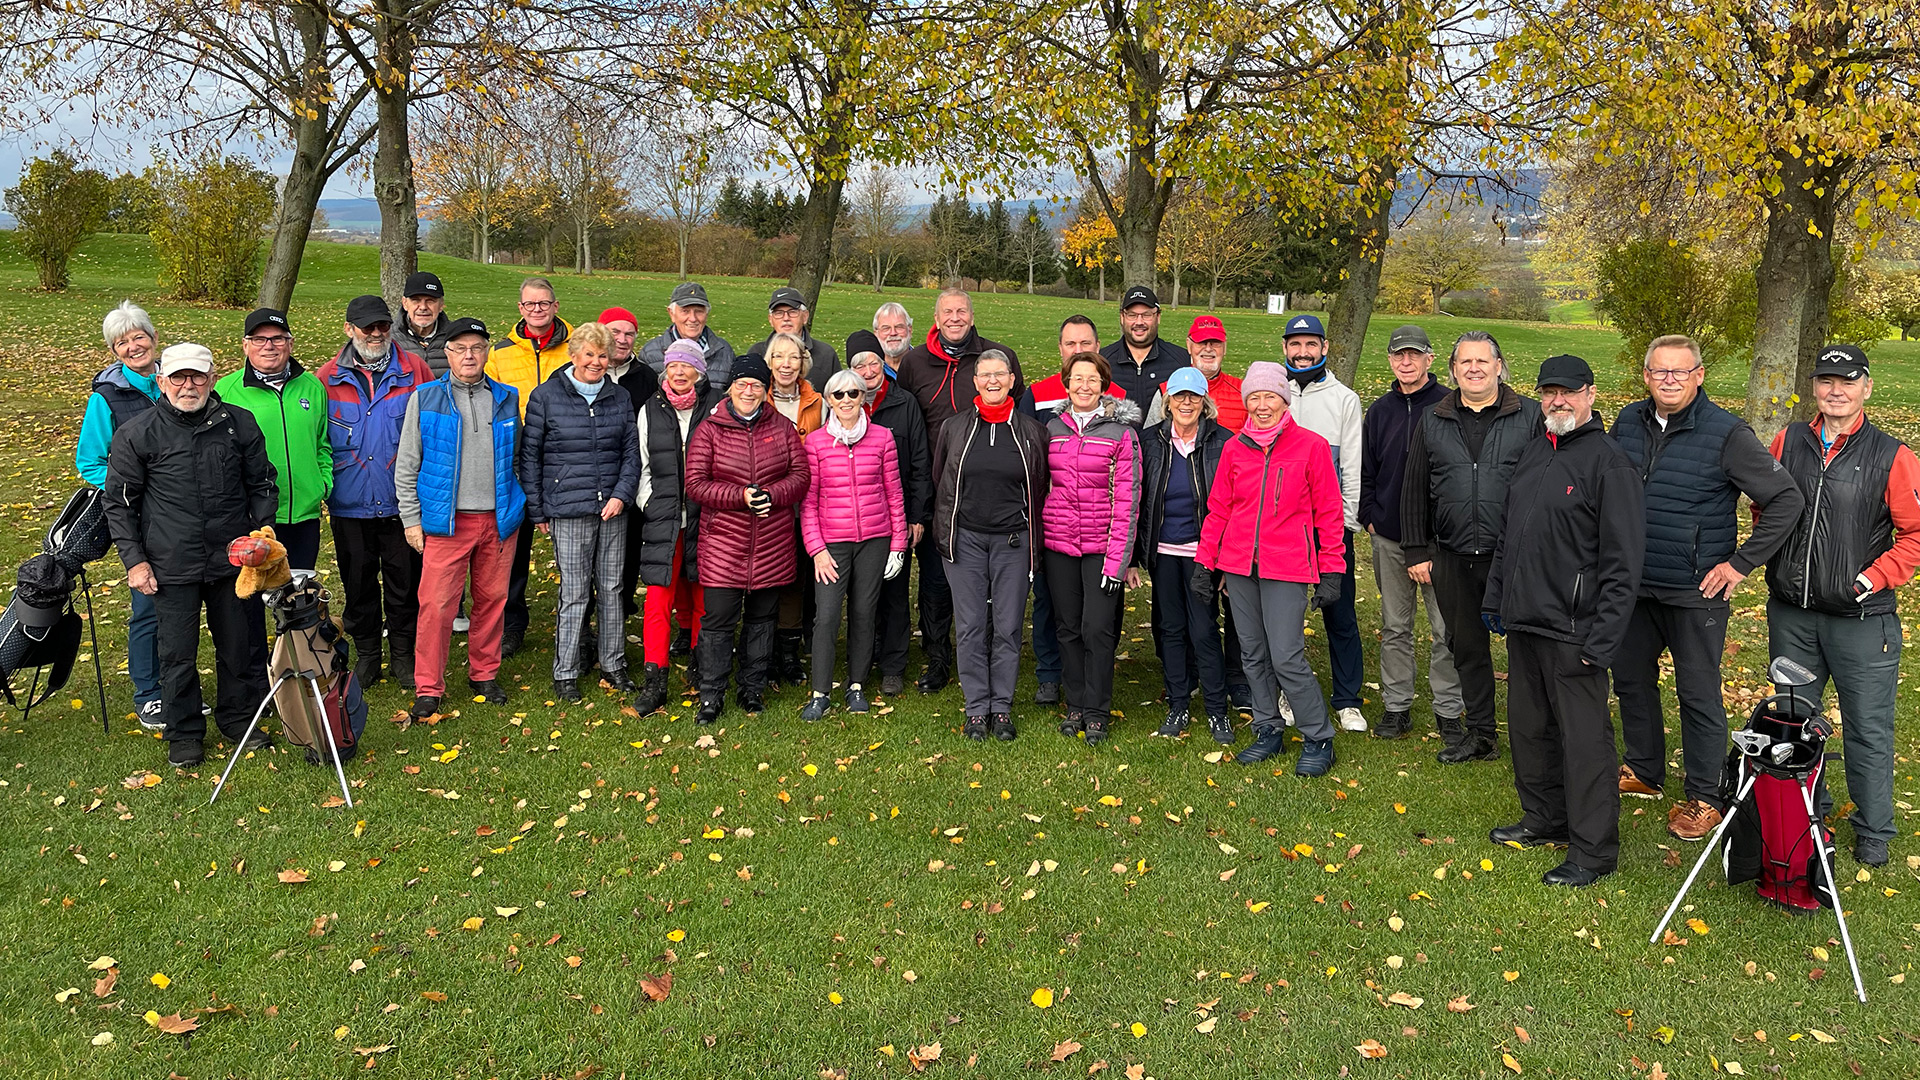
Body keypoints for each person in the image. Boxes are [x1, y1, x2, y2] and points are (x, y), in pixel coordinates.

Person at [1612, 335, 1805, 841]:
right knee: (1631, 680)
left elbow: (1785, 499)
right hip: (1633, 583)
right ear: (1647, 375)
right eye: (1659, 371)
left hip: (1694, 589)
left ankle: (1704, 795)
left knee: (1697, 692)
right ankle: (1644, 770)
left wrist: (1740, 564)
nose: (1669, 380)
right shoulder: (1627, 422)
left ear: (1699, 376)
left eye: (1680, 371)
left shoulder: (1726, 433)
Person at [1482, 354, 1644, 888]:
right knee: (1530, 731)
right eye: (1549, 391)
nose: (1558, 401)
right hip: (1526, 621)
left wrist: (1603, 639)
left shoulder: (1608, 463)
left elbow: (1624, 563)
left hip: (1577, 631)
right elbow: (1511, 536)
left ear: (1591, 394)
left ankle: (1593, 850)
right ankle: (1545, 819)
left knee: (1585, 744)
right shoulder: (1535, 451)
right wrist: (1498, 597)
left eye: (1569, 392)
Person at [1758, 344, 1920, 867]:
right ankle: (1810, 810)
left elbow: (1915, 534)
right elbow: (1767, 505)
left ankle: (1873, 827)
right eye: (1826, 381)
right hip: (1793, 614)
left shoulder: (1893, 456)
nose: (1836, 391)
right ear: (1814, 388)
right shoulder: (1789, 440)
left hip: (1860, 621)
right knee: (1793, 720)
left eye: (1847, 382)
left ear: (1866, 388)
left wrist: (1872, 578)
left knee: (1866, 726)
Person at [105, 343, 276, 769]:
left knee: (240, 646)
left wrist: (262, 533)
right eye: (178, 377)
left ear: (213, 379)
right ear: (162, 381)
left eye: (197, 376)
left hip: (232, 562)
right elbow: (119, 503)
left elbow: (263, 484)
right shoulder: (138, 433)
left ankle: (239, 720)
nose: (188, 385)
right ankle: (183, 733)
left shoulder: (239, 423)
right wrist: (135, 561)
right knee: (177, 653)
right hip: (170, 563)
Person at [1196, 362, 1344, 776]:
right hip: (1240, 566)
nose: (1262, 406)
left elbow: (1328, 514)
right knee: (1253, 654)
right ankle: (1268, 728)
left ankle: (1318, 736)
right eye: (1254, 398)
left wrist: (1332, 569)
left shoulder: (1311, 446)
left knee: (1286, 656)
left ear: (1284, 399)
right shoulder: (1235, 447)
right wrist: (1205, 562)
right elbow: (1219, 509)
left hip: (1289, 566)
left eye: (1270, 397)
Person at [1400, 331, 1541, 763]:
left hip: (1516, 558)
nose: (1475, 369)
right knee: (1466, 648)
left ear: (1499, 366)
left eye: (1483, 361)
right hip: (1453, 555)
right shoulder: (1434, 419)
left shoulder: (1530, 416)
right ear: (1453, 370)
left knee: (1528, 651)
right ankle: (1481, 734)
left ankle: (1534, 735)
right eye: (1465, 363)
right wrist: (1416, 550)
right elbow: (1415, 487)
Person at [395, 317, 524, 718]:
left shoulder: (506, 396)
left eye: (477, 348)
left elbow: (518, 458)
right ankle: (429, 686)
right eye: (460, 349)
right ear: (447, 354)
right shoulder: (426, 397)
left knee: (492, 600)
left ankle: (484, 673)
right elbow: (406, 464)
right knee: (436, 605)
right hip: (446, 522)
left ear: (487, 352)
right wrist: (411, 519)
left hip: (498, 521)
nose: (470, 355)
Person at [897, 289, 1024, 693]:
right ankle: (937, 658)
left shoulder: (994, 358)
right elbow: (911, 424)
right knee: (936, 581)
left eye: (961, 311)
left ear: (972, 314)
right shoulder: (916, 361)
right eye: (947, 312)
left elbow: (1013, 416)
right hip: (936, 486)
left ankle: (987, 655)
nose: (955, 318)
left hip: (988, 491)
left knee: (989, 588)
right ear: (935, 317)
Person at [518, 322, 642, 702]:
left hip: (613, 509)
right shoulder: (546, 397)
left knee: (612, 588)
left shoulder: (619, 398)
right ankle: (566, 671)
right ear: (574, 356)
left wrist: (622, 495)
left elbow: (631, 454)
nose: (597, 362)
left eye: (603, 355)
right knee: (574, 592)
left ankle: (613, 663)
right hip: (568, 508)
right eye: (589, 354)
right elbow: (530, 456)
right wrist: (538, 511)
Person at [684, 353, 810, 723]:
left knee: (762, 621)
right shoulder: (710, 429)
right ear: (731, 388)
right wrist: (739, 497)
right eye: (742, 384)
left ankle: (751, 689)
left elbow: (800, 476)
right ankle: (711, 693)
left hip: (772, 543)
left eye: (756, 384)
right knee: (718, 622)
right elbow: (695, 484)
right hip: (725, 544)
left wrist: (773, 495)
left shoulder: (782, 427)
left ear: (765, 388)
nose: (749, 391)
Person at [320, 293, 433, 692]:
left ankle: (403, 654)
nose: (376, 333)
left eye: (382, 325)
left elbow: (432, 430)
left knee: (405, 583)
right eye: (366, 326)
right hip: (350, 502)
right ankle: (368, 654)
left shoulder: (414, 369)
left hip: (403, 503)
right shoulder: (327, 377)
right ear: (349, 329)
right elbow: (318, 441)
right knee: (358, 583)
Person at [933, 350, 1048, 741]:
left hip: (1013, 542)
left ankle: (1001, 708)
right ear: (975, 380)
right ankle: (977, 709)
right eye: (985, 374)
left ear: (1013, 379)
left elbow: (1041, 486)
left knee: (1007, 626)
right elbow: (941, 480)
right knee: (969, 626)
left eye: (1001, 374)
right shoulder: (954, 428)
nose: (993, 381)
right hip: (965, 541)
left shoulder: (1032, 431)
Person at [1358, 324, 1461, 741]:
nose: (1406, 362)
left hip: (1440, 541)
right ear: (1390, 360)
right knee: (1396, 626)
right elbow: (1367, 470)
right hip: (1389, 537)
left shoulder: (1448, 406)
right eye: (1399, 355)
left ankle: (1449, 709)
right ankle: (1397, 705)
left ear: (1430, 360)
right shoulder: (1380, 411)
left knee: (1445, 628)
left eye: (1414, 355)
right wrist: (1370, 515)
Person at [799, 368, 910, 720]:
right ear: (829, 401)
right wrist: (816, 549)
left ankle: (857, 685)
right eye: (838, 395)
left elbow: (894, 492)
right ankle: (820, 691)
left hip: (874, 541)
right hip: (832, 544)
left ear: (863, 397)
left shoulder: (881, 438)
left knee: (864, 614)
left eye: (853, 393)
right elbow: (809, 502)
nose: (846, 400)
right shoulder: (815, 442)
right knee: (827, 616)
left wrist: (898, 544)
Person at [1041, 352, 1141, 744]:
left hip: (1102, 547)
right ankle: (1076, 704)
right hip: (1059, 545)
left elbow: (1128, 499)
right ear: (1067, 383)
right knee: (1067, 629)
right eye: (1077, 378)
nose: (1084, 386)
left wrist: (1118, 560)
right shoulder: (1051, 428)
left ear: (1104, 385)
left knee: (1096, 629)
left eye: (1092, 379)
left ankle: (1098, 710)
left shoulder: (1121, 434)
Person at [1017, 315, 1113, 705]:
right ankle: (1049, 673)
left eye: (1085, 343)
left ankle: (1094, 680)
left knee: (1097, 614)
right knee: (1050, 602)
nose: (1078, 351)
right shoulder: (1037, 395)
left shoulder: (1115, 398)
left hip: (1097, 525)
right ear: (1060, 350)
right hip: (1052, 523)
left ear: (1097, 347)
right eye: (1071, 344)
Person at [77, 301, 164, 730]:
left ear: (153, 338)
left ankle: (176, 684)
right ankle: (149, 693)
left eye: (138, 337)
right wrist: (129, 490)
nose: (133, 347)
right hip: (139, 517)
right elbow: (90, 461)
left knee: (182, 603)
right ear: (114, 351)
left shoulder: (177, 379)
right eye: (122, 342)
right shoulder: (107, 397)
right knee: (147, 603)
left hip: (184, 513)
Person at [1280, 313, 1367, 732]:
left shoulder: (1344, 399)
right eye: (1295, 344)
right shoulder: (1272, 394)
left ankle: (1348, 698)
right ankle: (1289, 691)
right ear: (1285, 349)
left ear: (1324, 347)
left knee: (1340, 613)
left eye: (1310, 344)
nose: (1302, 352)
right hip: (1282, 529)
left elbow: (1352, 465)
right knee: (1285, 615)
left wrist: (1346, 524)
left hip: (1329, 528)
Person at [1139, 367, 1233, 744]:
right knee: (1171, 630)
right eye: (1179, 397)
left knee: (1204, 630)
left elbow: (1232, 506)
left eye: (1194, 397)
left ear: (1205, 403)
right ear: (1168, 402)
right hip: (1163, 552)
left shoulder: (1223, 443)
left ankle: (1216, 710)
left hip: (1204, 554)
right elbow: (1138, 500)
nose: (1186, 403)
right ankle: (1178, 703)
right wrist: (1133, 557)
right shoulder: (1150, 442)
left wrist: (1226, 559)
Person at [486, 277, 573, 659]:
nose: (536, 310)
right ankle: (512, 623)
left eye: (543, 303)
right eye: (529, 304)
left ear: (555, 306)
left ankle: (576, 626)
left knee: (574, 547)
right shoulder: (501, 352)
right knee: (513, 548)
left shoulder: (575, 346)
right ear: (520, 308)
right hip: (516, 460)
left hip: (567, 459)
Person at [630, 340, 716, 715]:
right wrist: (649, 501)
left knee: (702, 598)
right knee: (658, 599)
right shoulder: (651, 408)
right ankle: (656, 679)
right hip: (664, 516)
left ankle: (701, 670)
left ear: (700, 370)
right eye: (673, 366)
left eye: (687, 366)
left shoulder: (716, 408)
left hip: (708, 517)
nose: (679, 373)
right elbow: (642, 464)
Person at [849, 329, 933, 698]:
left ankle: (894, 664)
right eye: (859, 364)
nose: (868, 370)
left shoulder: (904, 403)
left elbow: (919, 462)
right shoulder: (843, 403)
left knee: (894, 590)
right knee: (862, 592)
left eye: (873, 361)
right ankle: (864, 657)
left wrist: (917, 516)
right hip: (854, 518)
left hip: (895, 517)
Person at [215, 309, 331, 572]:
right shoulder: (226, 391)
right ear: (245, 345)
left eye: (278, 338)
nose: (269, 346)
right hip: (252, 517)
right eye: (259, 339)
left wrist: (322, 484)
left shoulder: (312, 387)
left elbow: (322, 443)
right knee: (252, 599)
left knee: (298, 598)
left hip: (304, 513)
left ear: (290, 343)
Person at [765, 332, 828, 684]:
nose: (786, 364)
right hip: (767, 503)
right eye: (779, 357)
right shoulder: (755, 397)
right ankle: (765, 650)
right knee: (767, 577)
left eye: (793, 357)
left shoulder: (819, 402)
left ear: (803, 362)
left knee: (796, 579)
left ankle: (790, 654)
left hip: (807, 503)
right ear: (769, 362)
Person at [1100, 285, 1189, 409]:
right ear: (1122, 317)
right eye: (1132, 315)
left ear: (1158, 317)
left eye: (1146, 315)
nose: (1139, 322)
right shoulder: (1102, 362)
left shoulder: (1181, 361)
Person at [639, 281, 737, 391]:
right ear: (671, 314)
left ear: (707, 314)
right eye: (685, 311)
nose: (693, 318)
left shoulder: (725, 352)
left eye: (699, 311)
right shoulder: (650, 353)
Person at [751, 287, 838, 390]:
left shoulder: (826, 354)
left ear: (805, 317)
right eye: (779, 313)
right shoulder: (756, 353)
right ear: (771, 319)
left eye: (792, 312)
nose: (786, 318)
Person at [598, 305, 659, 404]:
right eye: (615, 332)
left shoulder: (647, 377)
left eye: (629, 334)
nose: (622, 340)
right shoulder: (581, 372)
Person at [396, 271, 452, 376]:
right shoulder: (389, 338)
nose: (423, 307)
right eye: (416, 300)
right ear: (405, 303)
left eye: (430, 301)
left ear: (441, 305)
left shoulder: (455, 337)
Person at [872, 302, 915, 374]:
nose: (893, 333)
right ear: (876, 334)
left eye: (899, 327)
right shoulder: (869, 372)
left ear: (910, 330)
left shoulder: (924, 365)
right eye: (886, 328)